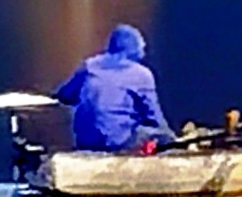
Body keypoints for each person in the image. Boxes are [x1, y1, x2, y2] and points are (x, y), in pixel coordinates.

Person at [56, 22, 170, 153]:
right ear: (135, 49)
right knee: (158, 135)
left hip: (85, 141)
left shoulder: (89, 66)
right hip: (119, 141)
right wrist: (170, 137)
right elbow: (153, 116)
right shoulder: (142, 74)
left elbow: (64, 96)